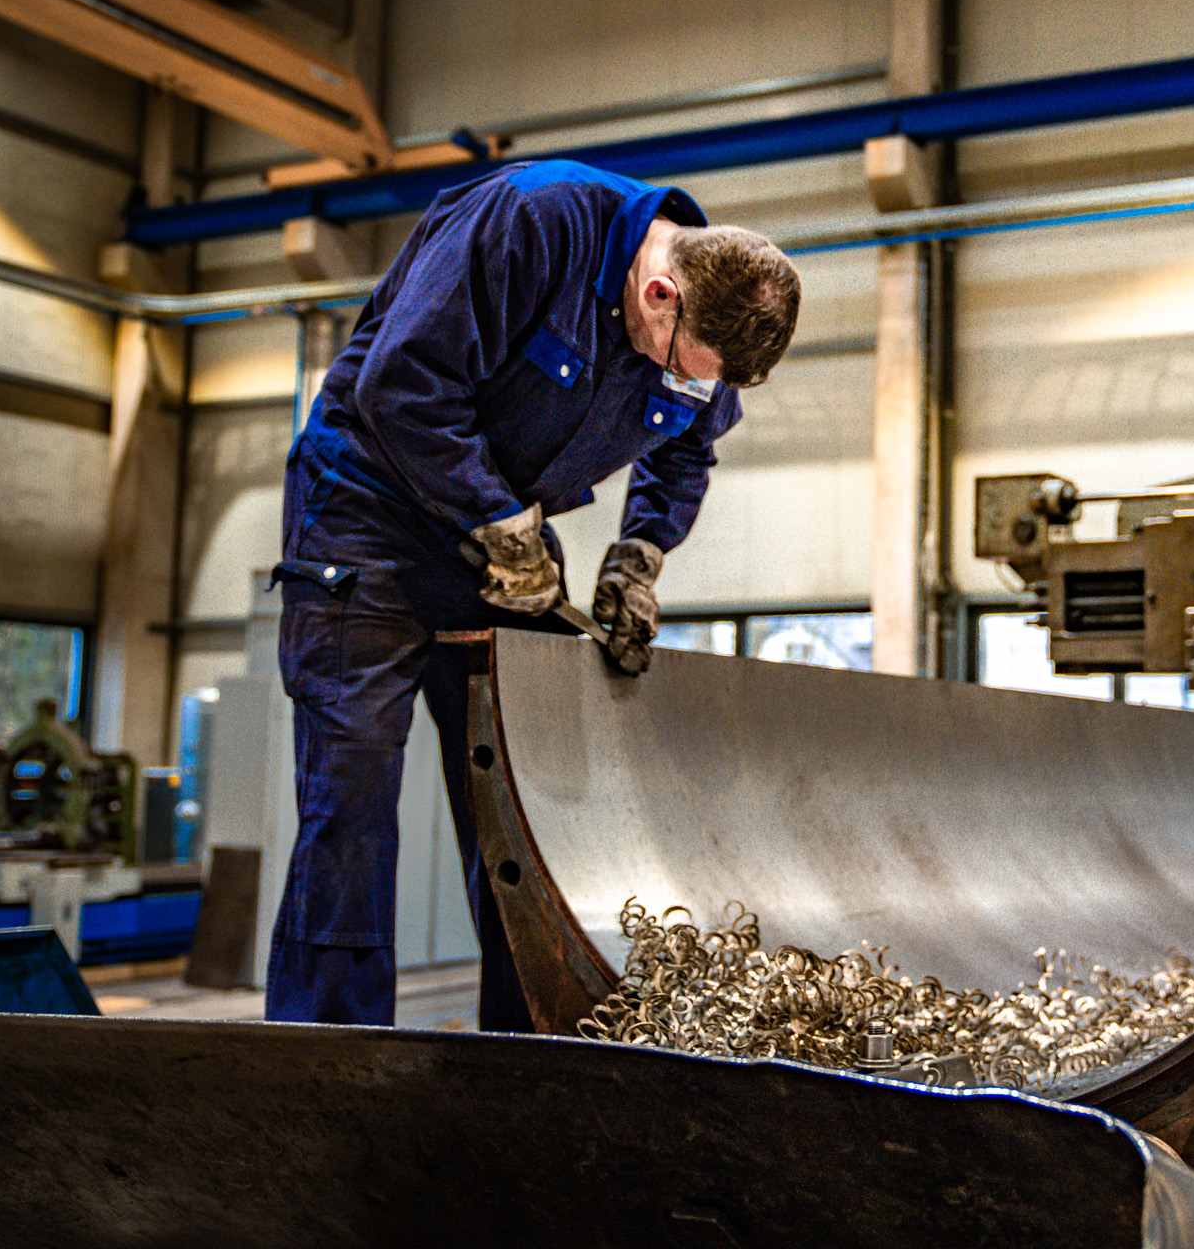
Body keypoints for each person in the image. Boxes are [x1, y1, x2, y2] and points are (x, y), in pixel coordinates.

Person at [265, 160, 800, 1028]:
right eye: (681, 368)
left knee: (519, 808)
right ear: (660, 293)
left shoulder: (698, 333)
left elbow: (685, 449)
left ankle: (527, 1054)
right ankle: (330, 1055)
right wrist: (500, 519)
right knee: (351, 805)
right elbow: (399, 387)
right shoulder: (529, 223)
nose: (687, 387)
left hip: (496, 535)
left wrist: (639, 555)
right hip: (367, 522)